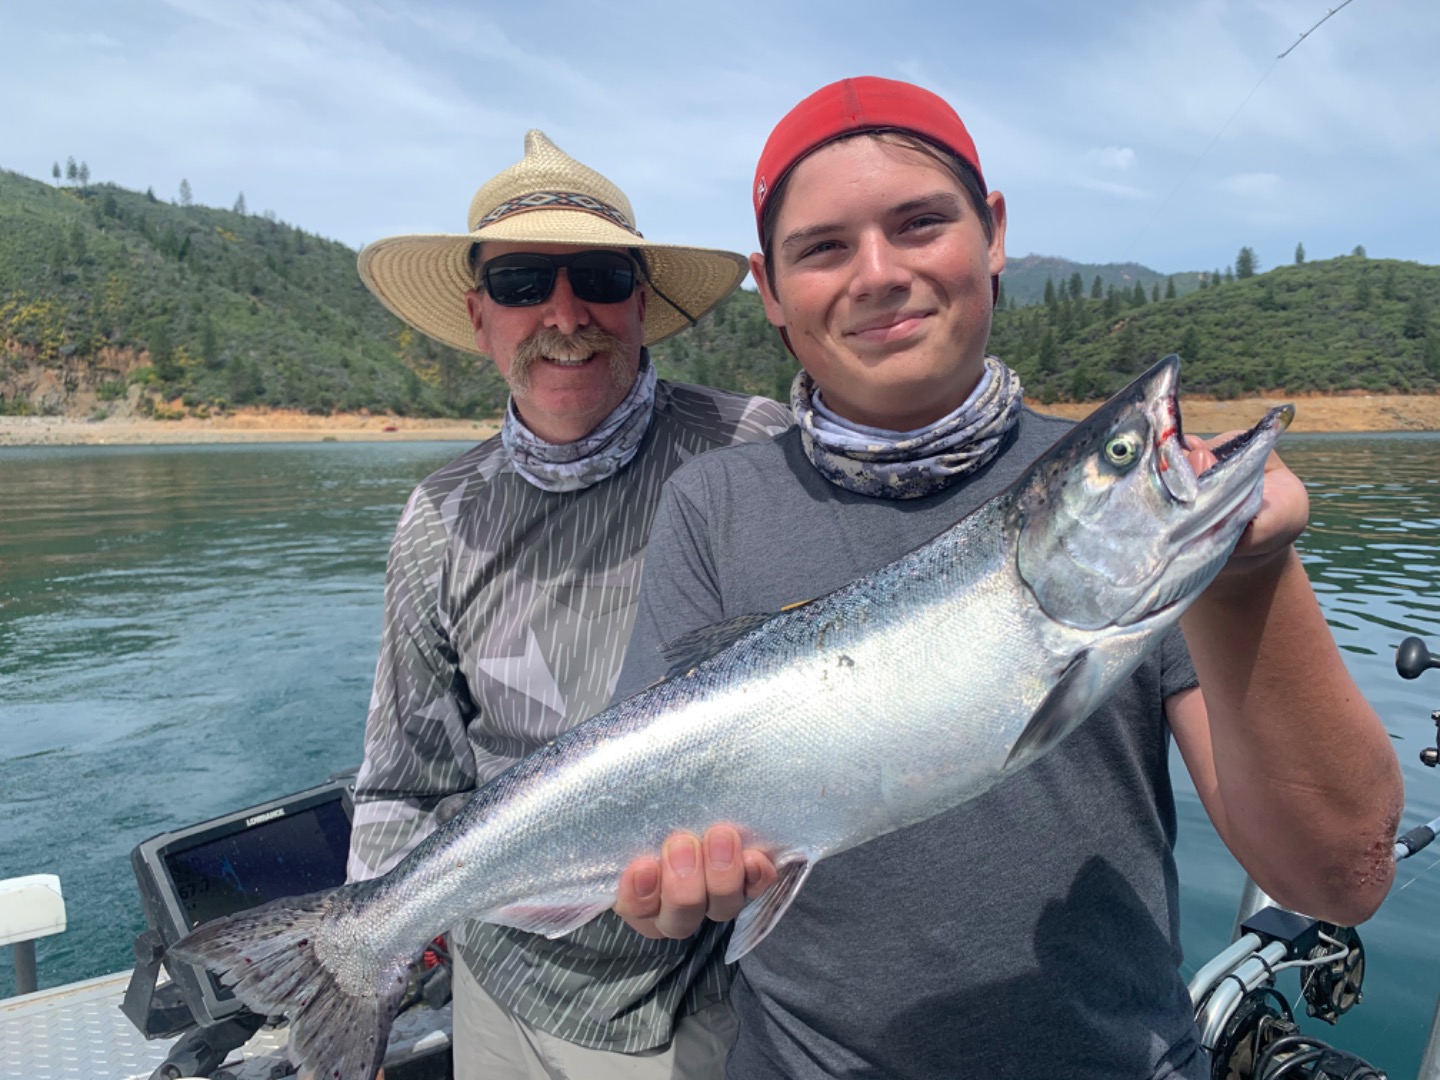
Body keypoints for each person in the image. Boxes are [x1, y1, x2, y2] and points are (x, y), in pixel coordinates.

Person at [609, 77, 1405, 1078]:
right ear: (770, 290)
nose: (878, 274)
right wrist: (668, 888)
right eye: (823, 247)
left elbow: (1340, 877)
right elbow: (652, 845)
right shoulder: (710, 505)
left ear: (992, 234)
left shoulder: (1132, 526)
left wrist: (1249, 576)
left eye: (919, 224)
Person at [346, 130, 791, 1079]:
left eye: (596, 275)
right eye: (520, 285)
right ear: (479, 316)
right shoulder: (439, 518)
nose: (564, 312)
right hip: (499, 986)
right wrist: (365, 984)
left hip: (709, 993)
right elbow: (403, 779)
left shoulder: (755, 451)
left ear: (641, 302)